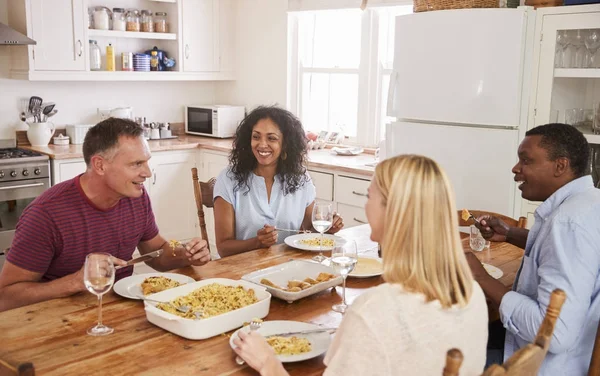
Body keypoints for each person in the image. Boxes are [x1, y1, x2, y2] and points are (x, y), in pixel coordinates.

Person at [233, 154, 488, 375]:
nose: (366, 206)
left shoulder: (373, 312)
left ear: (393, 212)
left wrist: (267, 362)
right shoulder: (472, 293)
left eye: (370, 196)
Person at [0, 118, 211, 312]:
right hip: (55, 320)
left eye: (146, 162)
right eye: (136, 164)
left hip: (117, 311)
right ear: (100, 165)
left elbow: (156, 253)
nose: (147, 172)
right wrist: (73, 282)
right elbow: (6, 297)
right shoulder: (46, 214)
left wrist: (185, 254)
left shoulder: (135, 196)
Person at [465, 123, 600, 374]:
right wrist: (510, 234)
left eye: (526, 160)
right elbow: (575, 256)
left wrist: (480, 276)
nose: (516, 169)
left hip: (547, 365)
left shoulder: (568, 224)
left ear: (560, 166)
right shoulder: (590, 203)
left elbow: (556, 333)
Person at [213, 106, 343, 257]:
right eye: (256, 137)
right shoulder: (229, 179)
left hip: (289, 267)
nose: (262, 144)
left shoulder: (300, 178)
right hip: (241, 270)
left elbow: (309, 231)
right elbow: (223, 248)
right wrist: (257, 243)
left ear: (286, 144)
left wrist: (329, 228)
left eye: (271, 138)